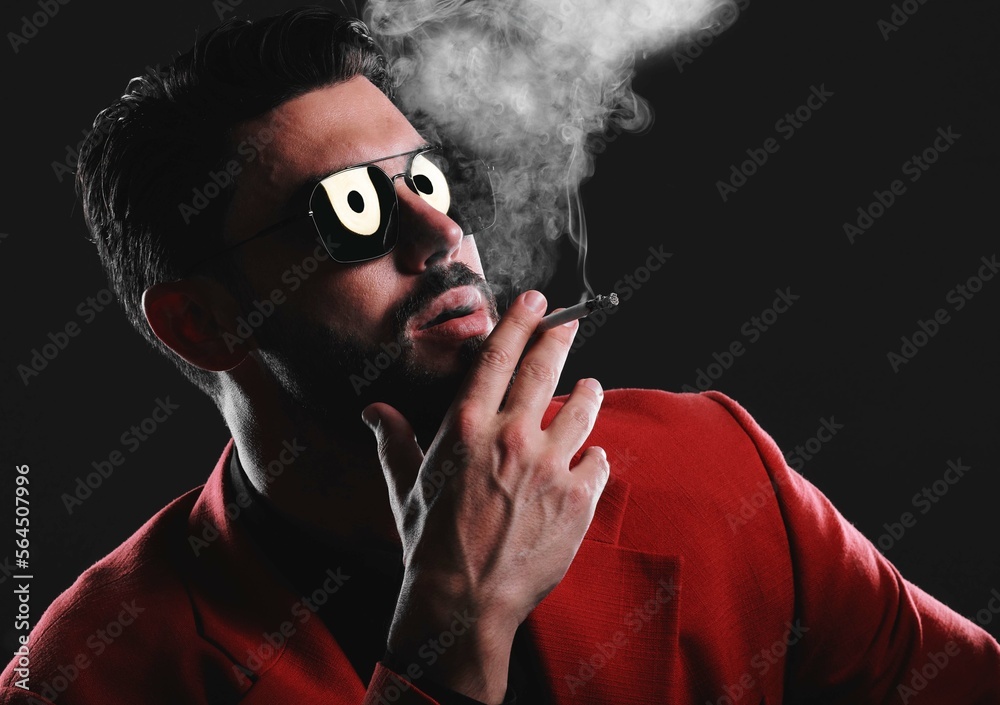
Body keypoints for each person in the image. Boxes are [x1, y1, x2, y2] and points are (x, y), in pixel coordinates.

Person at [2, 6, 998, 705]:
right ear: (201, 322)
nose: (438, 237)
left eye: (426, 181)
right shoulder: (91, 676)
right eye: (347, 212)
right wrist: (447, 643)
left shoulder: (717, 469)